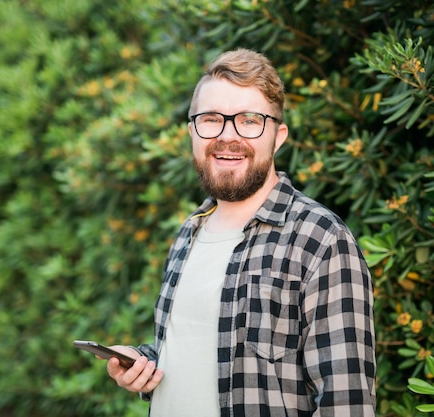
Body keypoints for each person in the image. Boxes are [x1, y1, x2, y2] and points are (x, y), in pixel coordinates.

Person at [106, 48, 376, 417]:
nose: (227, 136)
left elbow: (348, 405)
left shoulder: (321, 240)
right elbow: (198, 352)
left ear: (278, 136)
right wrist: (143, 363)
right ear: (192, 131)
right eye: (211, 119)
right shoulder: (189, 232)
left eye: (249, 120)